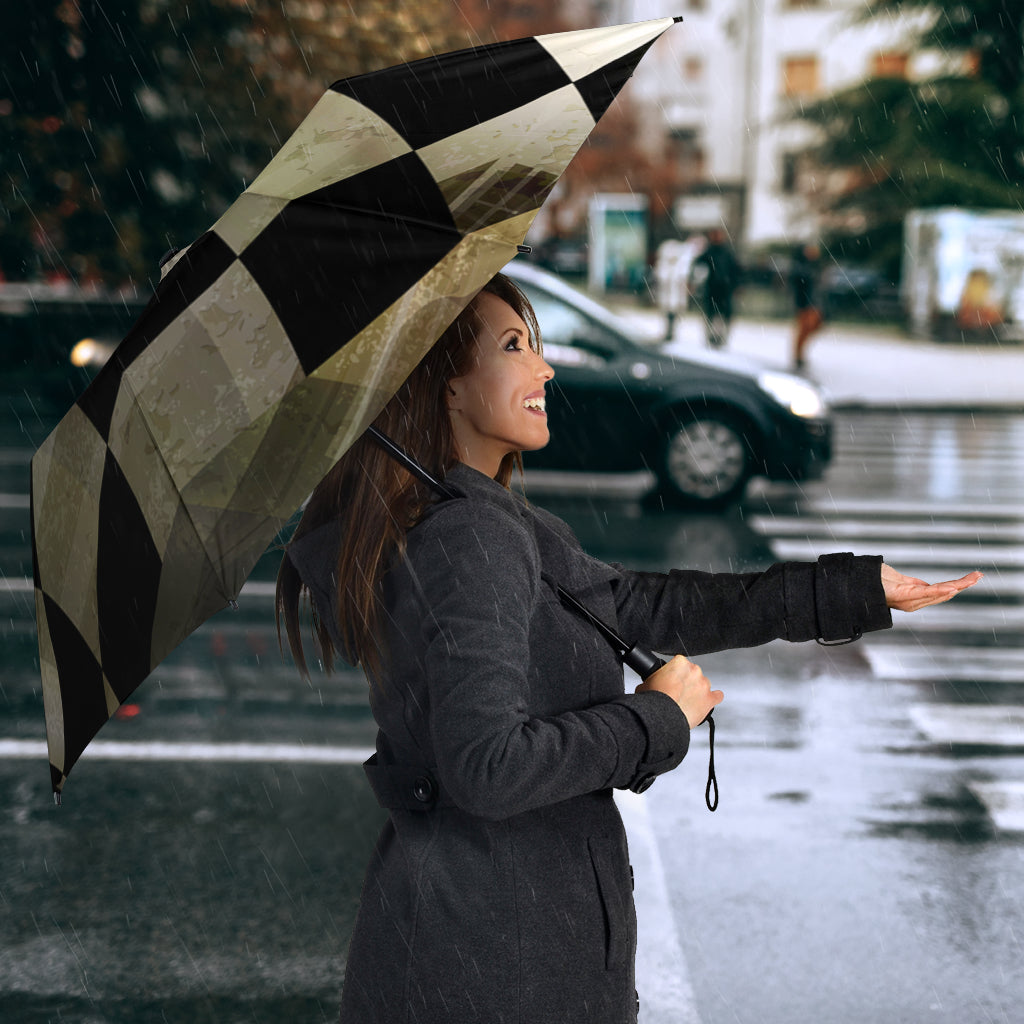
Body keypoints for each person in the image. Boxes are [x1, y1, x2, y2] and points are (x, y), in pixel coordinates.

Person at [276, 273, 980, 1024]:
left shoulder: (485, 521)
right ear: (445, 387)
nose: (544, 368)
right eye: (514, 347)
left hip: (488, 944)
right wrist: (654, 719)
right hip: (495, 964)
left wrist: (849, 590)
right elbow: (487, 767)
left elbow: (644, 605)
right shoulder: (469, 538)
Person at [690, 227, 741, 348]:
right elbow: (697, 265)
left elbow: (735, 270)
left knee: (722, 315)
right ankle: (711, 336)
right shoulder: (709, 252)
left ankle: (720, 337)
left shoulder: (727, 253)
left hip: (725, 289)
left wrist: (736, 285)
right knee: (711, 313)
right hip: (712, 288)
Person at [791, 242, 824, 370]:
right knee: (804, 329)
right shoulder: (801, 267)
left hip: (813, 302)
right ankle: (798, 355)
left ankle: (800, 354)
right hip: (805, 303)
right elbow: (800, 283)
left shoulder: (814, 266)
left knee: (812, 327)